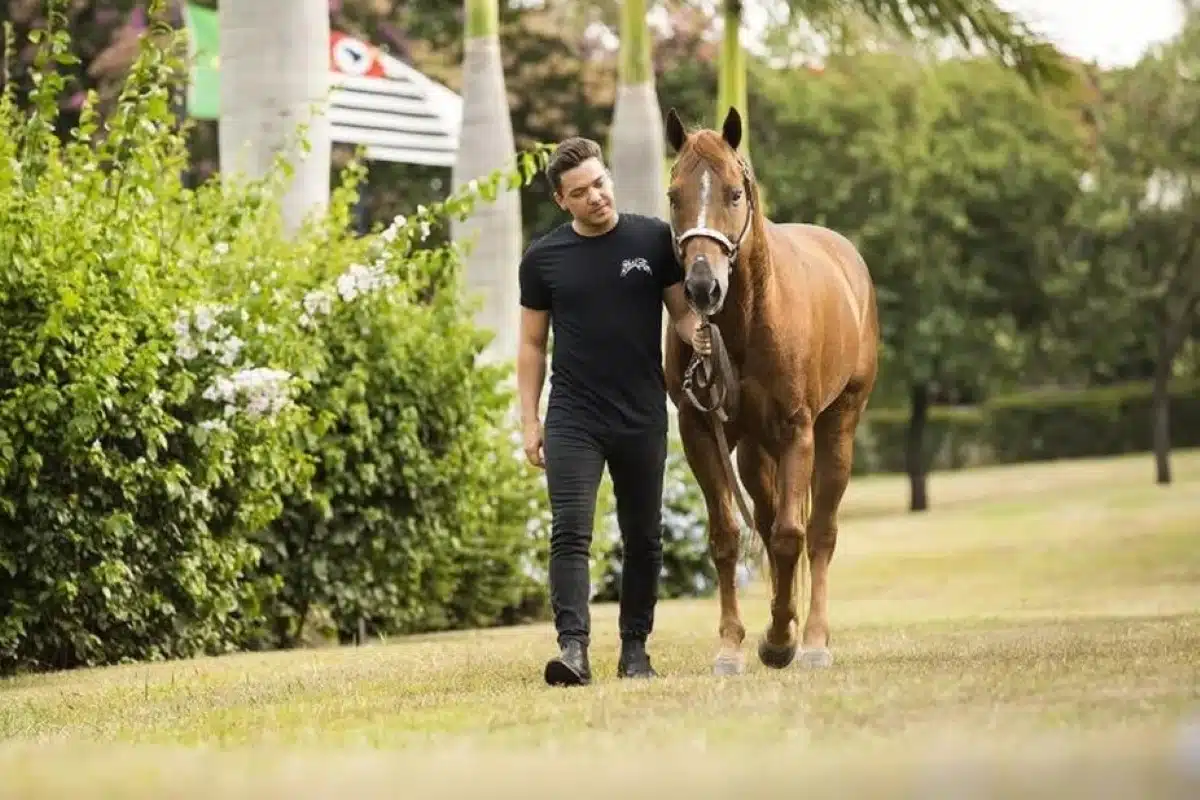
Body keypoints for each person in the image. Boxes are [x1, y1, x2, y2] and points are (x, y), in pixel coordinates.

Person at [515, 136, 711, 687]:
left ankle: (634, 651)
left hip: (641, 414)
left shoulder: (652, 239)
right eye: (581, 192)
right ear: (562, 200)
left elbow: (680, 315)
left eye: (600, 184)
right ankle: (572, 651)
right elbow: (531, 345)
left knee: (644, 536)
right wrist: (531, 421)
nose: (597, 197)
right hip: (574, 416)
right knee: (571, 532)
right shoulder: (543, 259)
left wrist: (700, 338)